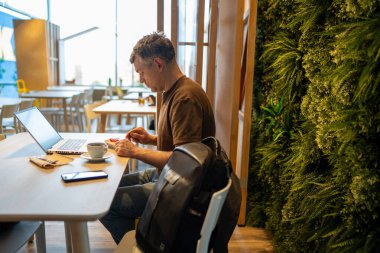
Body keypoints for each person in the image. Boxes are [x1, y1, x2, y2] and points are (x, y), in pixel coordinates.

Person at [100, 32, 216, 244]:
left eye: (142, 72)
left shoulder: (184, 98)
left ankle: (142, 246)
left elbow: (186, 164)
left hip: (179, 189)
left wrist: (135, 151)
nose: (141, 79)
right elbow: (185, 145)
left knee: (106, 204)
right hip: (167, 177)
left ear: (159, 64)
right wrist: (152, 139)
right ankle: (142, 237)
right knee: (108, 186)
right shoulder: (174, 91)